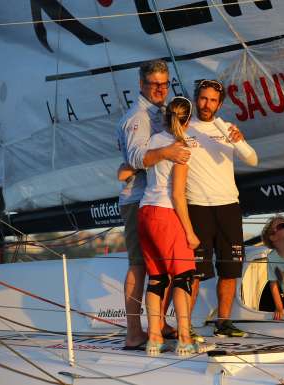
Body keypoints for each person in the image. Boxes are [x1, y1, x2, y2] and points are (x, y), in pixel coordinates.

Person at [116, 60, 190, 350]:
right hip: (139, 200)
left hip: (161, 203)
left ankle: (158, 325)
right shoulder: (139, 117)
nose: (160, 89)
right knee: (139, 264)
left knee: (162, 268)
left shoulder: (162, 114)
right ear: (141, 85)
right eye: (153, 84)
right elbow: (135, 159)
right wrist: (168, 151)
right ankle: (135, 332)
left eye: (164, 83)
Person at [137, 96, 214, 356]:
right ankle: (183, 338)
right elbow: (179, 195)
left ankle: (154, 339)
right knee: (183, 277)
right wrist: (191, 233)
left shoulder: (155, 140)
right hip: (167, 214)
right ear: (188, 119)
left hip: (145, 212)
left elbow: (140, 163)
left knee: (157, 278)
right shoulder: (180, 147)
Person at [184, 79, 258, 337]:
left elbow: (253, 159)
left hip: (228, 207)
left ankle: (223, 322)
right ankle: (186, 326)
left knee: (229, 269)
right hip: (197, 207)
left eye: (213, 100)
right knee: (194, 273)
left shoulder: (226, 127)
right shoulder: (183, 128)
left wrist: (237, 140)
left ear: (220, 103)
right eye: (203, 98)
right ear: (196, 99)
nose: (207, 104)